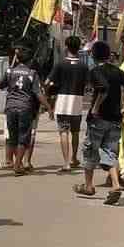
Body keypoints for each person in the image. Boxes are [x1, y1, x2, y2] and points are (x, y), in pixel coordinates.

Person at [74, 42, 124, 205]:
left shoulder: (95, 71)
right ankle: (115, 185)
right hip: (115, 119)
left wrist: (95, 107)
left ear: (93, 56)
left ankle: (88, 186)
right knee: (110, 152)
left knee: (90, 151)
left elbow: (103, 88)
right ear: (108, 55)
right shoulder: (116, 71)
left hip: (99, 119)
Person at [0, 46, 48, 175]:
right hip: (25, 108)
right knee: (23, 137)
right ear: (29, 61)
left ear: (17, 59)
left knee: (12, 136)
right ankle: (18, 165)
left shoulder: (9, 72)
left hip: (10, 108)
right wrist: (48, 106)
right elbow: (38, 93)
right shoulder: (32, 74)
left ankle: (10, 161)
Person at [44, 35, 90, 173]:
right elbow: (88, 84)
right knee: (75, 132)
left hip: (63, 102)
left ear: (66, 47)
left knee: (64, 131)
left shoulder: (60, 64)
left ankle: (66, 163)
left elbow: (47, 82)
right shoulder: (83, 66)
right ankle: (74, 158)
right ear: (79, 48)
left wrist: (49, 93)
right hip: (77, 102)